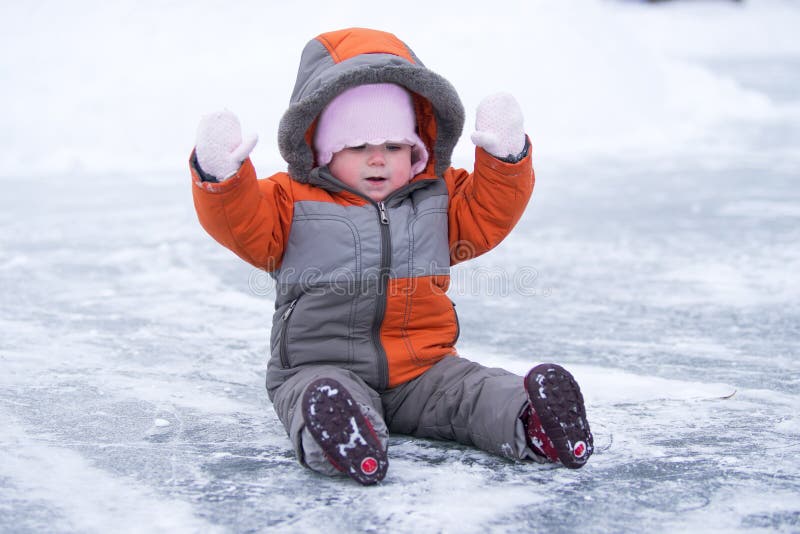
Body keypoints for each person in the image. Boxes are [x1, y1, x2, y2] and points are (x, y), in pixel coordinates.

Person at [190, 27, 593, 485]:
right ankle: (344, 438)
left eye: (394, 147)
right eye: (358, 146)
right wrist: (222, 177)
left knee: (473, 392)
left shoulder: (436, 196)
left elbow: (489, 212)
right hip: (319, 366)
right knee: (318, 398)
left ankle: (534, 423)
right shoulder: (290, 200)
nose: (377, 160)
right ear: (322, 150)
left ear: (417, 147)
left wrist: (505, 160)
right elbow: (239, 221)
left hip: (424, 368)